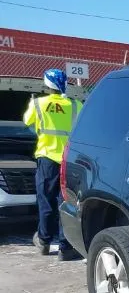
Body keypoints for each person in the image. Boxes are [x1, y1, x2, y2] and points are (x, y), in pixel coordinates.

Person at [23, 68, 83, 261]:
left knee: (46, 200)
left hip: (47, 158)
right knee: (65, 202)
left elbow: (27, 122)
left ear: (47, 85)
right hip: (68, 160)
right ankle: (66, 247)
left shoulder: (37, 104)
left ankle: (44, 240)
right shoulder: (76, 105)